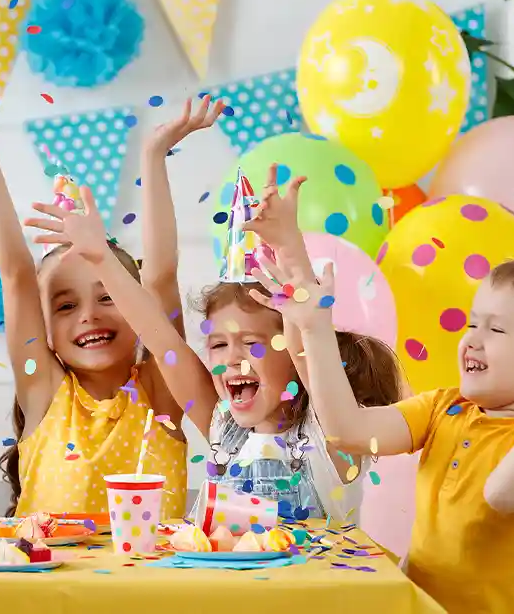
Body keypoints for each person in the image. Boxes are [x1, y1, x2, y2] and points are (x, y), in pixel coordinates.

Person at [251, 186, 514, 612]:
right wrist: (314, 323)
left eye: (496, 329)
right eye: (473, 323)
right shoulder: (443, 408)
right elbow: (347, 431)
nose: (471, 339)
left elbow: (502, 495)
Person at [25, 167, 403, 523]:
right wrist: (102, 260)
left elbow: (310, 339)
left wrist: (289, 249)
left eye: (251, 342)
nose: (230, 359)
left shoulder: (331, 435)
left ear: (291, 350)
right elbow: (160, 338)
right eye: (218, 344)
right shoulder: (223, 427)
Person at [0, 65, 188, 519]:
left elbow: (162, 277)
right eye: (66, 305)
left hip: (153, 591)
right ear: (44, 327)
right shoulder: (43, 390)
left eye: (109, 296)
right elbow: (15, 272)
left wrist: (154, 158)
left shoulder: (163, 393)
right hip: (46, 591)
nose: (89, 315)